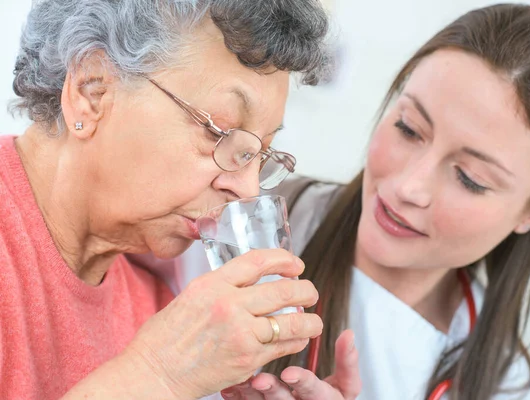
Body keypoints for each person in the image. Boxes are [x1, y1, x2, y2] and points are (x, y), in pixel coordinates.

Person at [171, 4, 530, 399]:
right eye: (409, 129)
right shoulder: (226, 215)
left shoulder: (511, 388)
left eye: (470, 179)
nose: (409, 187)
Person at [0, 0, 352, 399]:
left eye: (259, 154)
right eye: (220, 132)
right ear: (91, 91)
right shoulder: (167, 349)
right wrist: (157, 375)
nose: (248, 190)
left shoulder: (153, 307)